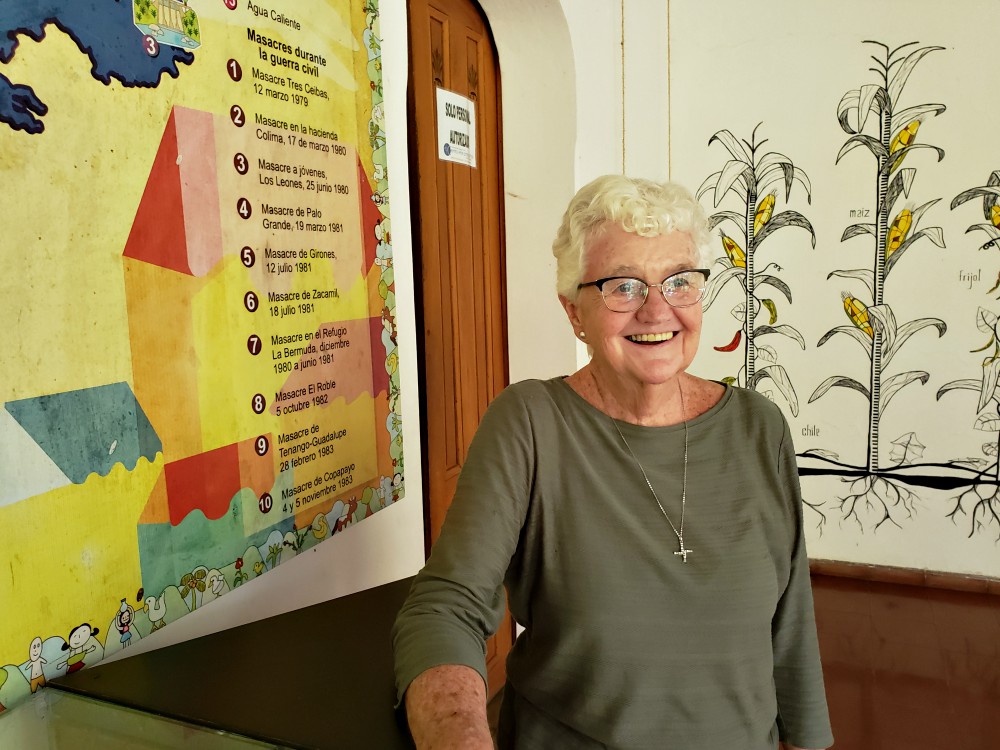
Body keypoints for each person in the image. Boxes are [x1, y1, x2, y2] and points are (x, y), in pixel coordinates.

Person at [392, 175, 833, 750]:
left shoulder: (758, 427)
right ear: (575, 311)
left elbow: (790, 625)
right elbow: (444, 609)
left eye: (679, 282)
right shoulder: (531, 422)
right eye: (622, 286)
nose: (657, 310)